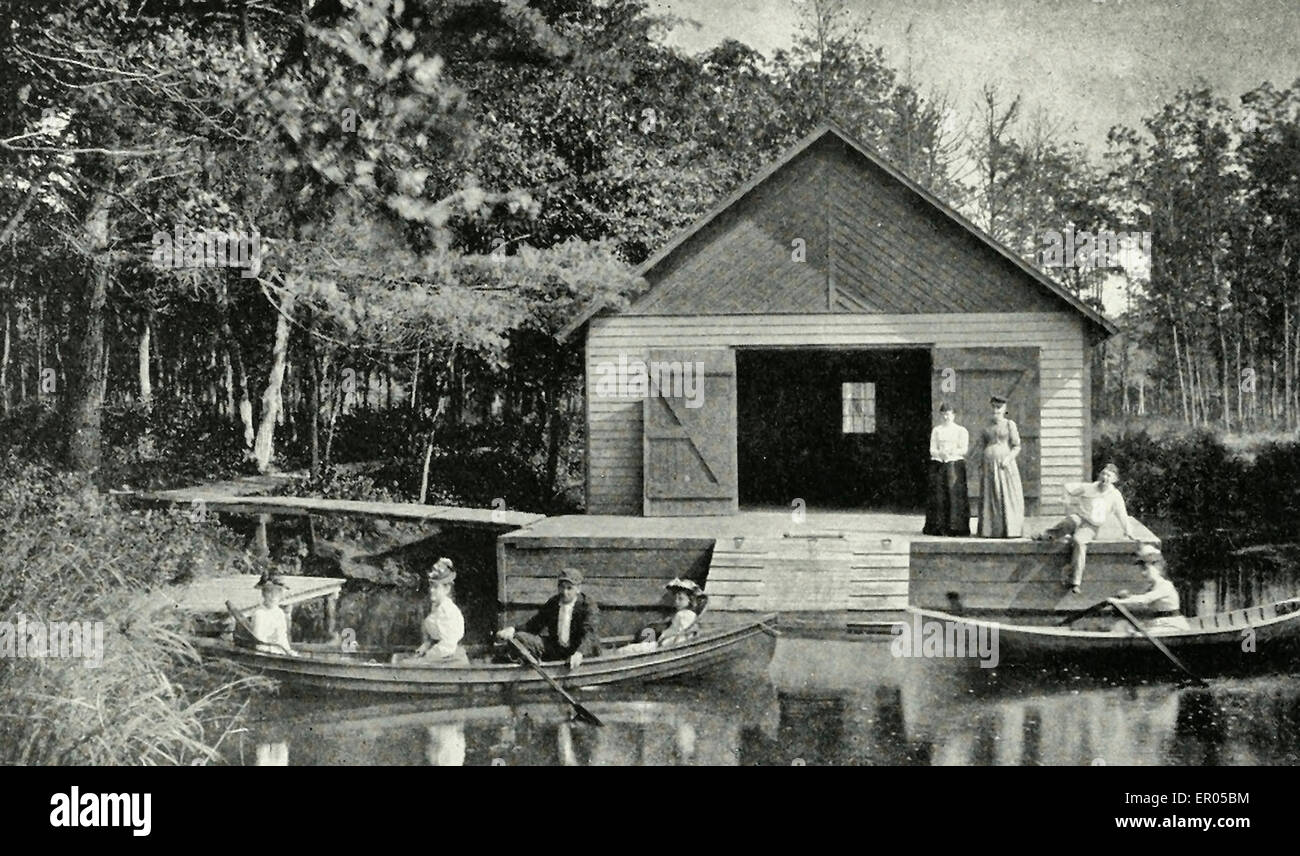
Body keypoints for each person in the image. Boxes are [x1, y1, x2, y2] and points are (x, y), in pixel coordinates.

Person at [1034, 462, 1140, 594]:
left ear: (1115, 479)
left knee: (1079, 541)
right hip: (1080, 518)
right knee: (1071, 520)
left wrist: (1128, 532)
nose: (1105, 478)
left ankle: (1075, 581)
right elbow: (1067, 487)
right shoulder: (1089, 488)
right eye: (1103, 474)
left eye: (1109, 475)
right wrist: (1065, 499)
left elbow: (1122, 515)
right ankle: (1047, 535)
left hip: (1091, 526)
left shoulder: (1115, 496)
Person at [496, 567, 602, 669]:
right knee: (519, 638)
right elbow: (535, 624)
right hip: (557, 648)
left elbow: (590, 633)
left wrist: (580, 653)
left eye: (569, 588)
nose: (565, 592)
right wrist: (513, 630)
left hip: (579, 650)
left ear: (578, 589)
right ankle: (527, 663)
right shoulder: (554, 602)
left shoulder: (588, 606)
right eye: (561, 587)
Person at [975, 394, 1025, 539]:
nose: (996, 411)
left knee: (1006, 495)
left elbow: (1017, 446)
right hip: (989, 465)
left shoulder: (1010, 425)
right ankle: (989, 530)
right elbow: (982, 445)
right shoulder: (986, 426)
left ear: (1004, 409)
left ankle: (1010, 530)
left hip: (1004, 466)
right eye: (994, 408)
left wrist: (1008, 459)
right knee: (990, 496)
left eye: (999, 408)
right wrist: (981, 463)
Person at [1108, 544, 1189, 633]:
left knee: (1138, 634)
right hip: (1159, 624)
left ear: (1158, 567)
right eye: (1141, 569)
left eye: (1146, 569)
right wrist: (1127, 597)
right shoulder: (1152, 587)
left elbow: (1144, 600)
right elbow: (1141, 599)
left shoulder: (1165, 586)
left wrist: (1118, 602)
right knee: (1122, 625)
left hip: (1173, 626)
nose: (1143, 573)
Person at [403, 557, 469, 665]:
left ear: (447, 589)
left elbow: (447, 645)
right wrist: (426, 646)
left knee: (407, 666)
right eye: (430, 587)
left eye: (435, 587)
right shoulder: (436, 607)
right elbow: (436, 636)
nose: (431, 590)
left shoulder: (447, 611)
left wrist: (426, 659)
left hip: (450, 660)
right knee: (405, 663)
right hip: (440, 655)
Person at [923, 403, 971, 536]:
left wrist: (951, 452)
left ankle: (956, 527)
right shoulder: (937, 430)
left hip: (955, 464)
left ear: (954, 415)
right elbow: (932, 449)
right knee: (939, 494)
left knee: (954, 494)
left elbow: (964, 449)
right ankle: (938, 527)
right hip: (939, 464)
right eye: (943, 414)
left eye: (949, 414)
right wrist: (940, 454)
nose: (946, 417)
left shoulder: (961, 430)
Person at [618, 579, 703, 655]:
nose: (676, 602)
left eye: (681, 599)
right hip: (664, 643)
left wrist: (664, 637)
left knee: (629, 650)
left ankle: (618, 653)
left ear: (690, 601)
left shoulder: (686, 615)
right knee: (635, 647)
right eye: (676, 599)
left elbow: (682, 632)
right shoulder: (682, 614)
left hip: (667, 645)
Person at [237, 572, 298, 656]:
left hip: (279, 651)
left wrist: (288, 650)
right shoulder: (259, 613)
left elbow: (282, 637)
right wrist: (277, 649)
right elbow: (259, 641)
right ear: (263, 594)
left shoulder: (280, 613)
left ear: (280, 595)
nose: (273, 597)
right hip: (264, 653)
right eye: (269, 592)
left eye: (276, 593)